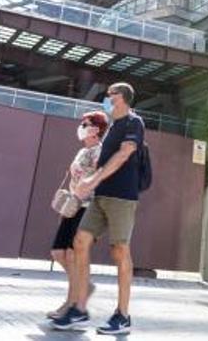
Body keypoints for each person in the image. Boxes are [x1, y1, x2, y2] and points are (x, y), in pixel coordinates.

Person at [52, 82, 146, 335]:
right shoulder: (113, 126)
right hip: (100, 197)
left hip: (122, 197)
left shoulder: (133, 122)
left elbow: (125, 154)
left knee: (119, 250)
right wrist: (89, 184)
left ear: (122, 98)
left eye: (109, 96)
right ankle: (80, 310)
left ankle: (123, 315)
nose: (106, 100)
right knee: (80, 241)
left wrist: (94, 179)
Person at [46, 110, 110, 321]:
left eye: (86, 123)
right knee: (58, 252)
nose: (82, 126)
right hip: (72, 207)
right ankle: (84, 287)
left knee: (72, 255)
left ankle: (72, 303)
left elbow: (100, 180)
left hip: (87, 208)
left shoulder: (100, 151)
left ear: (97, 129)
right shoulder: (83, 151)